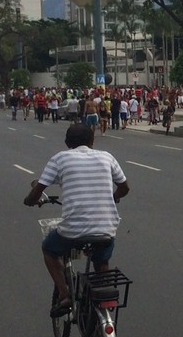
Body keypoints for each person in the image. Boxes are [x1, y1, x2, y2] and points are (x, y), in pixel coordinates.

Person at [23, 123, 130, 317]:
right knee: (102, 258)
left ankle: (64, 294)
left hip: (73, 230)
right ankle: (104, 301)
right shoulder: (106, 157)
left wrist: (29, 201)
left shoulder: (60, 159)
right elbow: (124, 188)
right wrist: (112, 197)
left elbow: (38, 189)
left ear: (67, 143)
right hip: (106, 228)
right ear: (92, 141)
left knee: (49, 249)